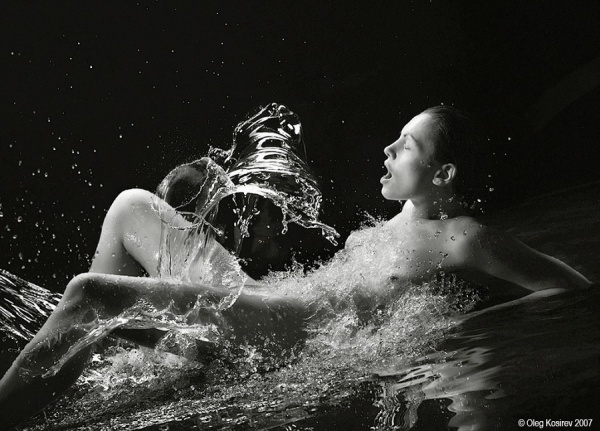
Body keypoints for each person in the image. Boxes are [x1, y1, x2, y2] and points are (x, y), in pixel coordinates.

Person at [0, 106, 591, 429]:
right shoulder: (393, 227)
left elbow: (570, 289)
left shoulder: (462, 237)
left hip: (290, 338)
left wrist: (456, 331)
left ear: (445, 173)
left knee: (91, 295)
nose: (388, 150)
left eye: (407, 145)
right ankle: (92, 357)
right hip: (265, 304)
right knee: (131, 206)